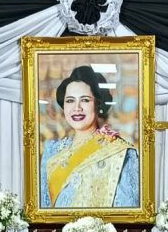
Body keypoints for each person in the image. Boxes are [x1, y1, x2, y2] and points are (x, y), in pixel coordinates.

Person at [40, 65, 140, 209]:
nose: (77, 108)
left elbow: (128, 210)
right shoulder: (52, 151)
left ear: (98, 104)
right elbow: (43, 209)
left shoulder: (120, 152)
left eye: (85, 100)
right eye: (70, 100)